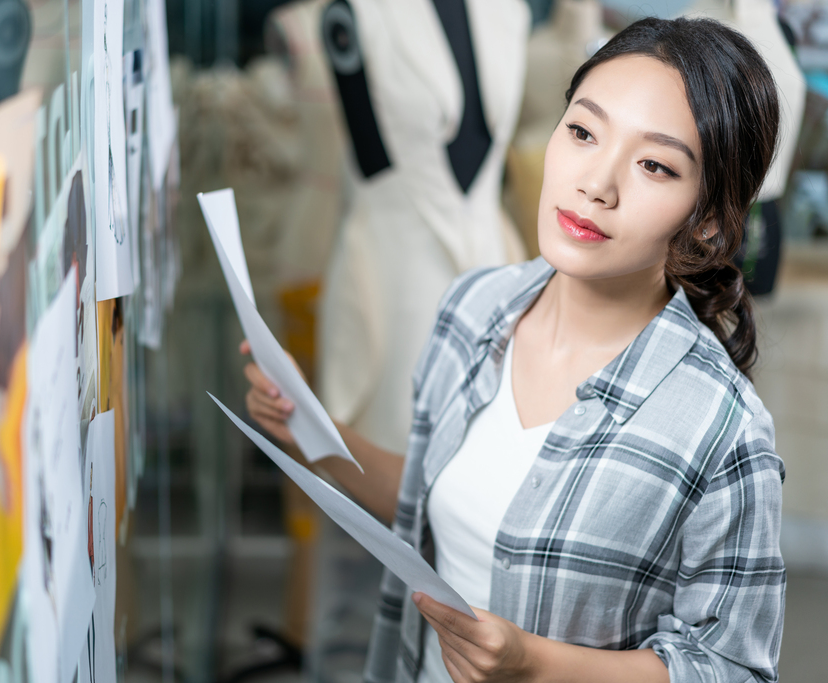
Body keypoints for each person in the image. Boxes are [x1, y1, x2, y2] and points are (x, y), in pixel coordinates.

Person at [242, 16, 785, 683]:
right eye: (583, 132)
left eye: (654, 165)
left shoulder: (722, 428)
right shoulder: (472, 309)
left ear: (704, 217)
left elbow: (730, 667)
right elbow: (424, 495)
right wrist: (311, 432)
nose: (596, 184)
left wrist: (536, 665)